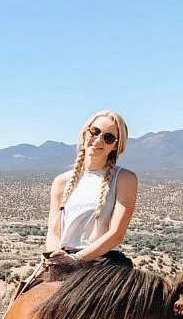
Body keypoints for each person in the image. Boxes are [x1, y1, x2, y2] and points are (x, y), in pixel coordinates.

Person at [44, 110, 136, 267]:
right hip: (63, 260)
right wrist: (53, 256)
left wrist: (76, 259)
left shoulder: (124, 179)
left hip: (104, 263)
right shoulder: (61, 181)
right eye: (95, 131)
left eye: (108, 137)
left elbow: (116, 234)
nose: (99, 139)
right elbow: (53, 231)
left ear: (115, 146)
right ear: (85, 133)